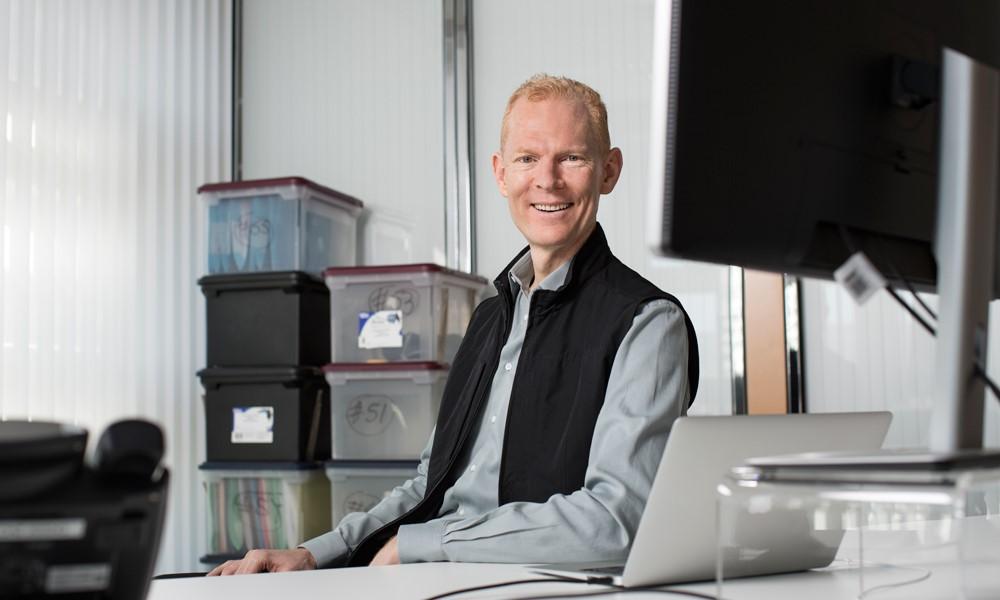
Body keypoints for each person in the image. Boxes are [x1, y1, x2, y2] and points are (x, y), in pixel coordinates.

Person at [208, 74, 698, 575]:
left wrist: (430, 544)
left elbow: (616, 524)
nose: (547, 180)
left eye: (572, 157)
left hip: (532, 585)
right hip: (440, 572)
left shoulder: (647, 323)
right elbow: (430, 486)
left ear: (609, 171)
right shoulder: (490, 316)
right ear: (501, 173)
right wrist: (316, 553)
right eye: (527, 158)